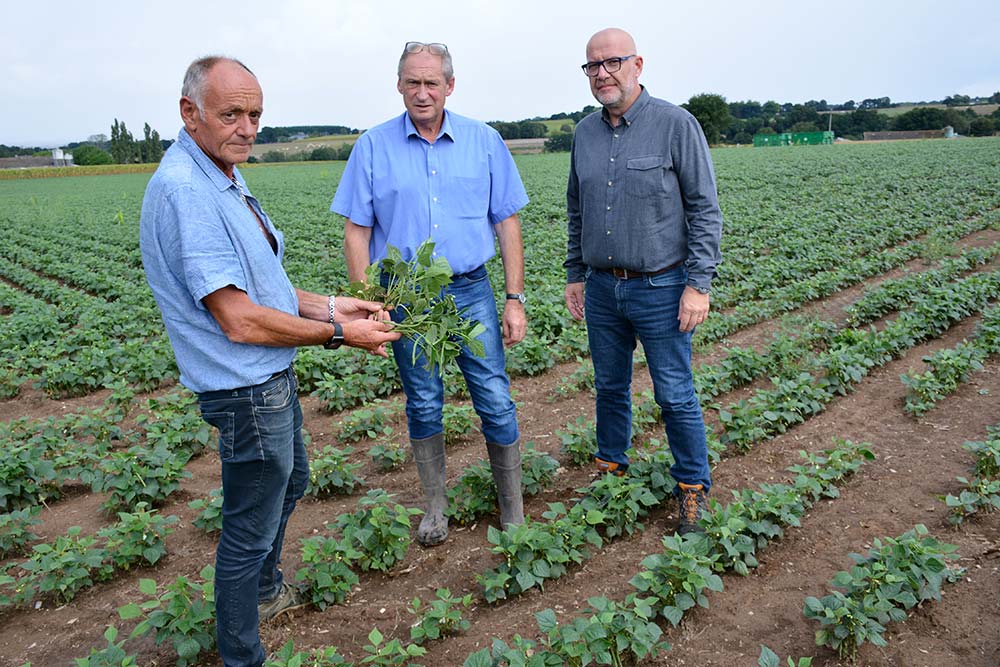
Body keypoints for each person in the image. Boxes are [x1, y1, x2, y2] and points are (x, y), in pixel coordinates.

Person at [139, 56, 399, 667]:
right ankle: (241, 652)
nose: (247, 127)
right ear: (190, 113)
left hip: (266, 379)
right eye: (231, 114)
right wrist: (338, 333)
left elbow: (264, 291)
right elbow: (240, 318)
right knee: (249, 524)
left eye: (255, 114)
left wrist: (335, 303)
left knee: (292, 481)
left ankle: (264, 589)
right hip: (244, 386)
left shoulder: (222, 174)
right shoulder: (186, 190)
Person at [332, 41, 529, 546]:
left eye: (432, 83)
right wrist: (369, 301)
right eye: (412, 83)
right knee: (422, 401)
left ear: (450, 86)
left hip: (472, 291)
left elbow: (507, 222)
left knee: (494, 396)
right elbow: (357, 231)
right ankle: (435, 509)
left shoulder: (483, 141)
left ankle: (513, 511)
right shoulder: (373, 147)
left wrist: (513, 298)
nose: (422, 93)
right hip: (408, 301)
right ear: (399, 85)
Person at [564, 28, 723, 535]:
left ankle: (693, 488)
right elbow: (575, 208)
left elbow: (704, 209)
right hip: (604, 288)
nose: (602, 74)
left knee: (674, 393)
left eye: (612, 63)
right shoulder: (584, 133)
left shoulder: (676, 124)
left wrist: (698, 284)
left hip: (663, 287)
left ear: (638, 64)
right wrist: (575, 273)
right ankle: (611, 470)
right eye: (592, 66)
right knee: (610, 387)